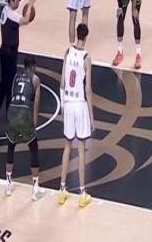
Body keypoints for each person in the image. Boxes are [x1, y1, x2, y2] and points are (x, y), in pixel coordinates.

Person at [0, 0, 37, 127]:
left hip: (4, 51)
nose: (19, 2)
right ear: (11, 1)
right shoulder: (11, 14)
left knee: (4, 84)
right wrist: (30, 4)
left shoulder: (5, 10)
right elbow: (26, 20)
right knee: (9, 85)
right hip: (9, 54)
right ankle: (10, 116)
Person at [58, 23, 94, 208]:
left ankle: (62, 189)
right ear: (85, 37)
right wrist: (92, 116)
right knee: (80, 149)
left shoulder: (67, 52)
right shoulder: (86, 58)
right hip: (80, 104)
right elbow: (88, 89)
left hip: (68, 102)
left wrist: (63, 105)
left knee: (67, 146)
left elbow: (62, 82)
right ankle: (82, 192)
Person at [5, 57, 41, 201]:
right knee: (33, 148)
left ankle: (8, 184)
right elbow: (36, 104)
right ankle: (35, 187)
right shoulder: (35, 79)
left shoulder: (16, 77)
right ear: (33, 67)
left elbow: (12, 95)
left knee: (11, 145)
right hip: (24, 113)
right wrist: (34, 124)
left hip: (12, 111)